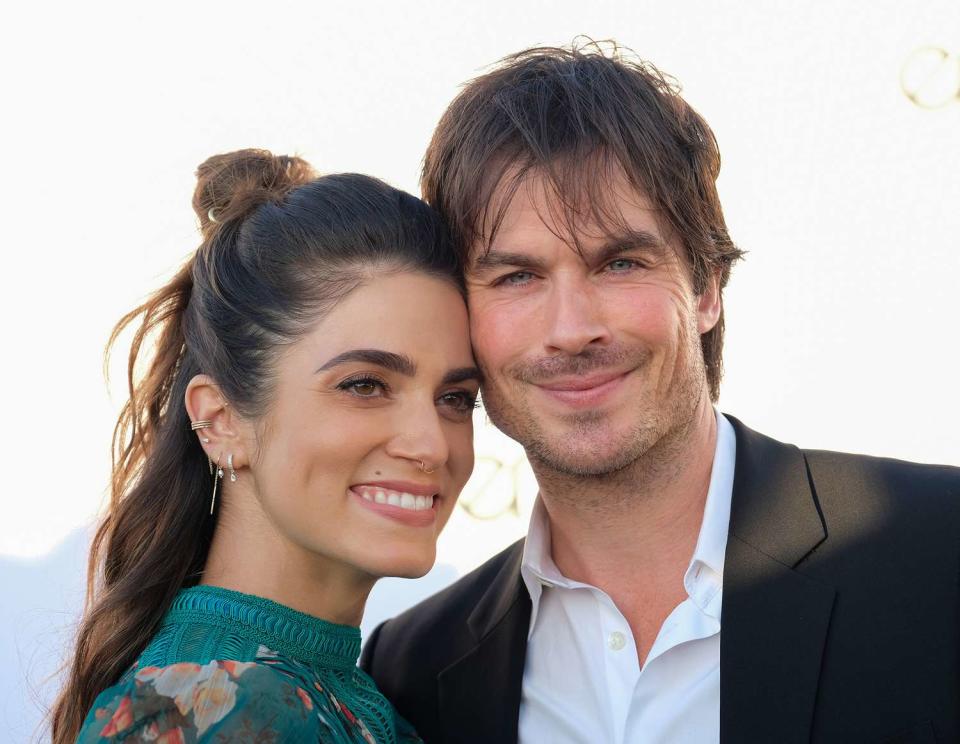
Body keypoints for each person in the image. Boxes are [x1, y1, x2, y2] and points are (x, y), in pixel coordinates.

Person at [360, 42, 960, 743]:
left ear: (706, 284)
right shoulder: (410, 670)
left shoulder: (939, 554)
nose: (572, 329)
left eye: (619, 263)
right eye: (516, 277)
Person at [52, 149, 481, 743]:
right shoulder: (207, 709)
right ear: (221, 419)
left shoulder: (309, 692)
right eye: (365, 385)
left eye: (456, 398)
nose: (432, 444)